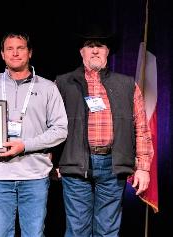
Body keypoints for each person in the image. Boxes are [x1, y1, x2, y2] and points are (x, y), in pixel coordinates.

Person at [55, 25, 153, 237]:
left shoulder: (127, 84)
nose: (95, 50)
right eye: (90, 46)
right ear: (81, 51)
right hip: (75, 164)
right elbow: (50, 125)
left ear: (108, 51)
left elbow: (142, 127)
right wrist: (53, 161)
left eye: (100, 46)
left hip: (112, 164)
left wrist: (143, 167)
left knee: (108, 230)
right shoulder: (63, 83)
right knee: (77, 229)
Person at [0, 32, 68, 237]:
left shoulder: (48, 87)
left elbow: (60, 130)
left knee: (33, 234)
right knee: (0, 234)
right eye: (9, 49)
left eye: (21, 48)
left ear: (30, 52)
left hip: (35, 177)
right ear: (2, 54)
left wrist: (25, 145)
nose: (15, 53)